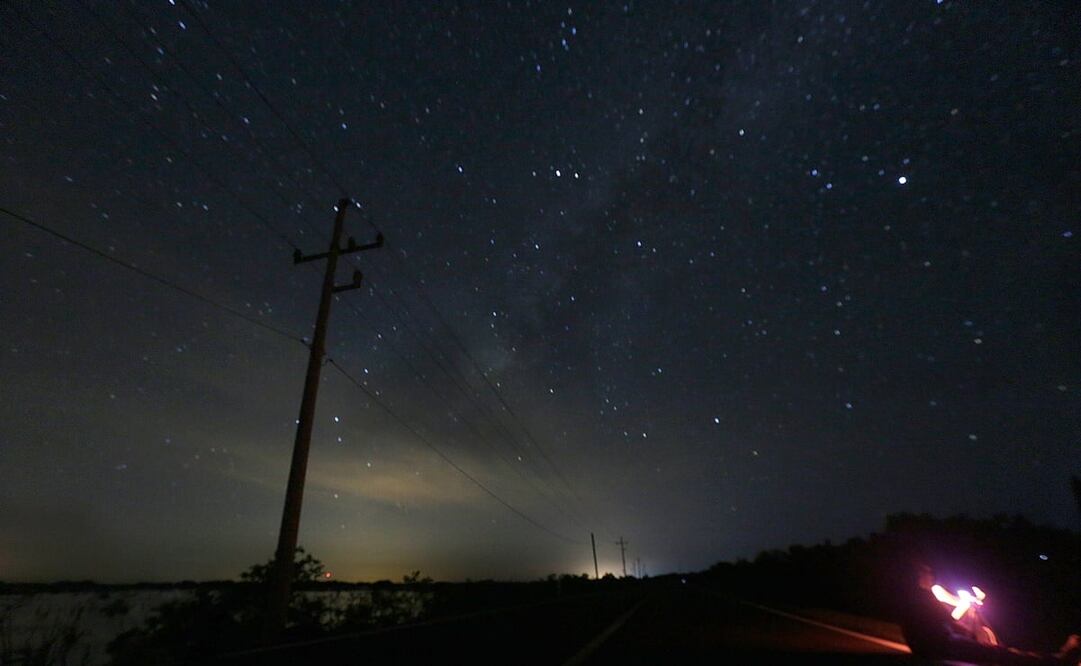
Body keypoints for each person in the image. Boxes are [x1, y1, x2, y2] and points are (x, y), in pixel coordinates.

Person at [899, 562, 1080, 665]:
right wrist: (967, 605)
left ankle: (1053, 659)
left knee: (997, 651)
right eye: (927, 573)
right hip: (943, 646)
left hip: (935, 645)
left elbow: (948, 620)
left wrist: (968, 605)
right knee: (1001, 654)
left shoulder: (914, 598)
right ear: (918, 577)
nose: (931, 577)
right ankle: (1058, 661)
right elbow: (953, 622)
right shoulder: (922, 597)